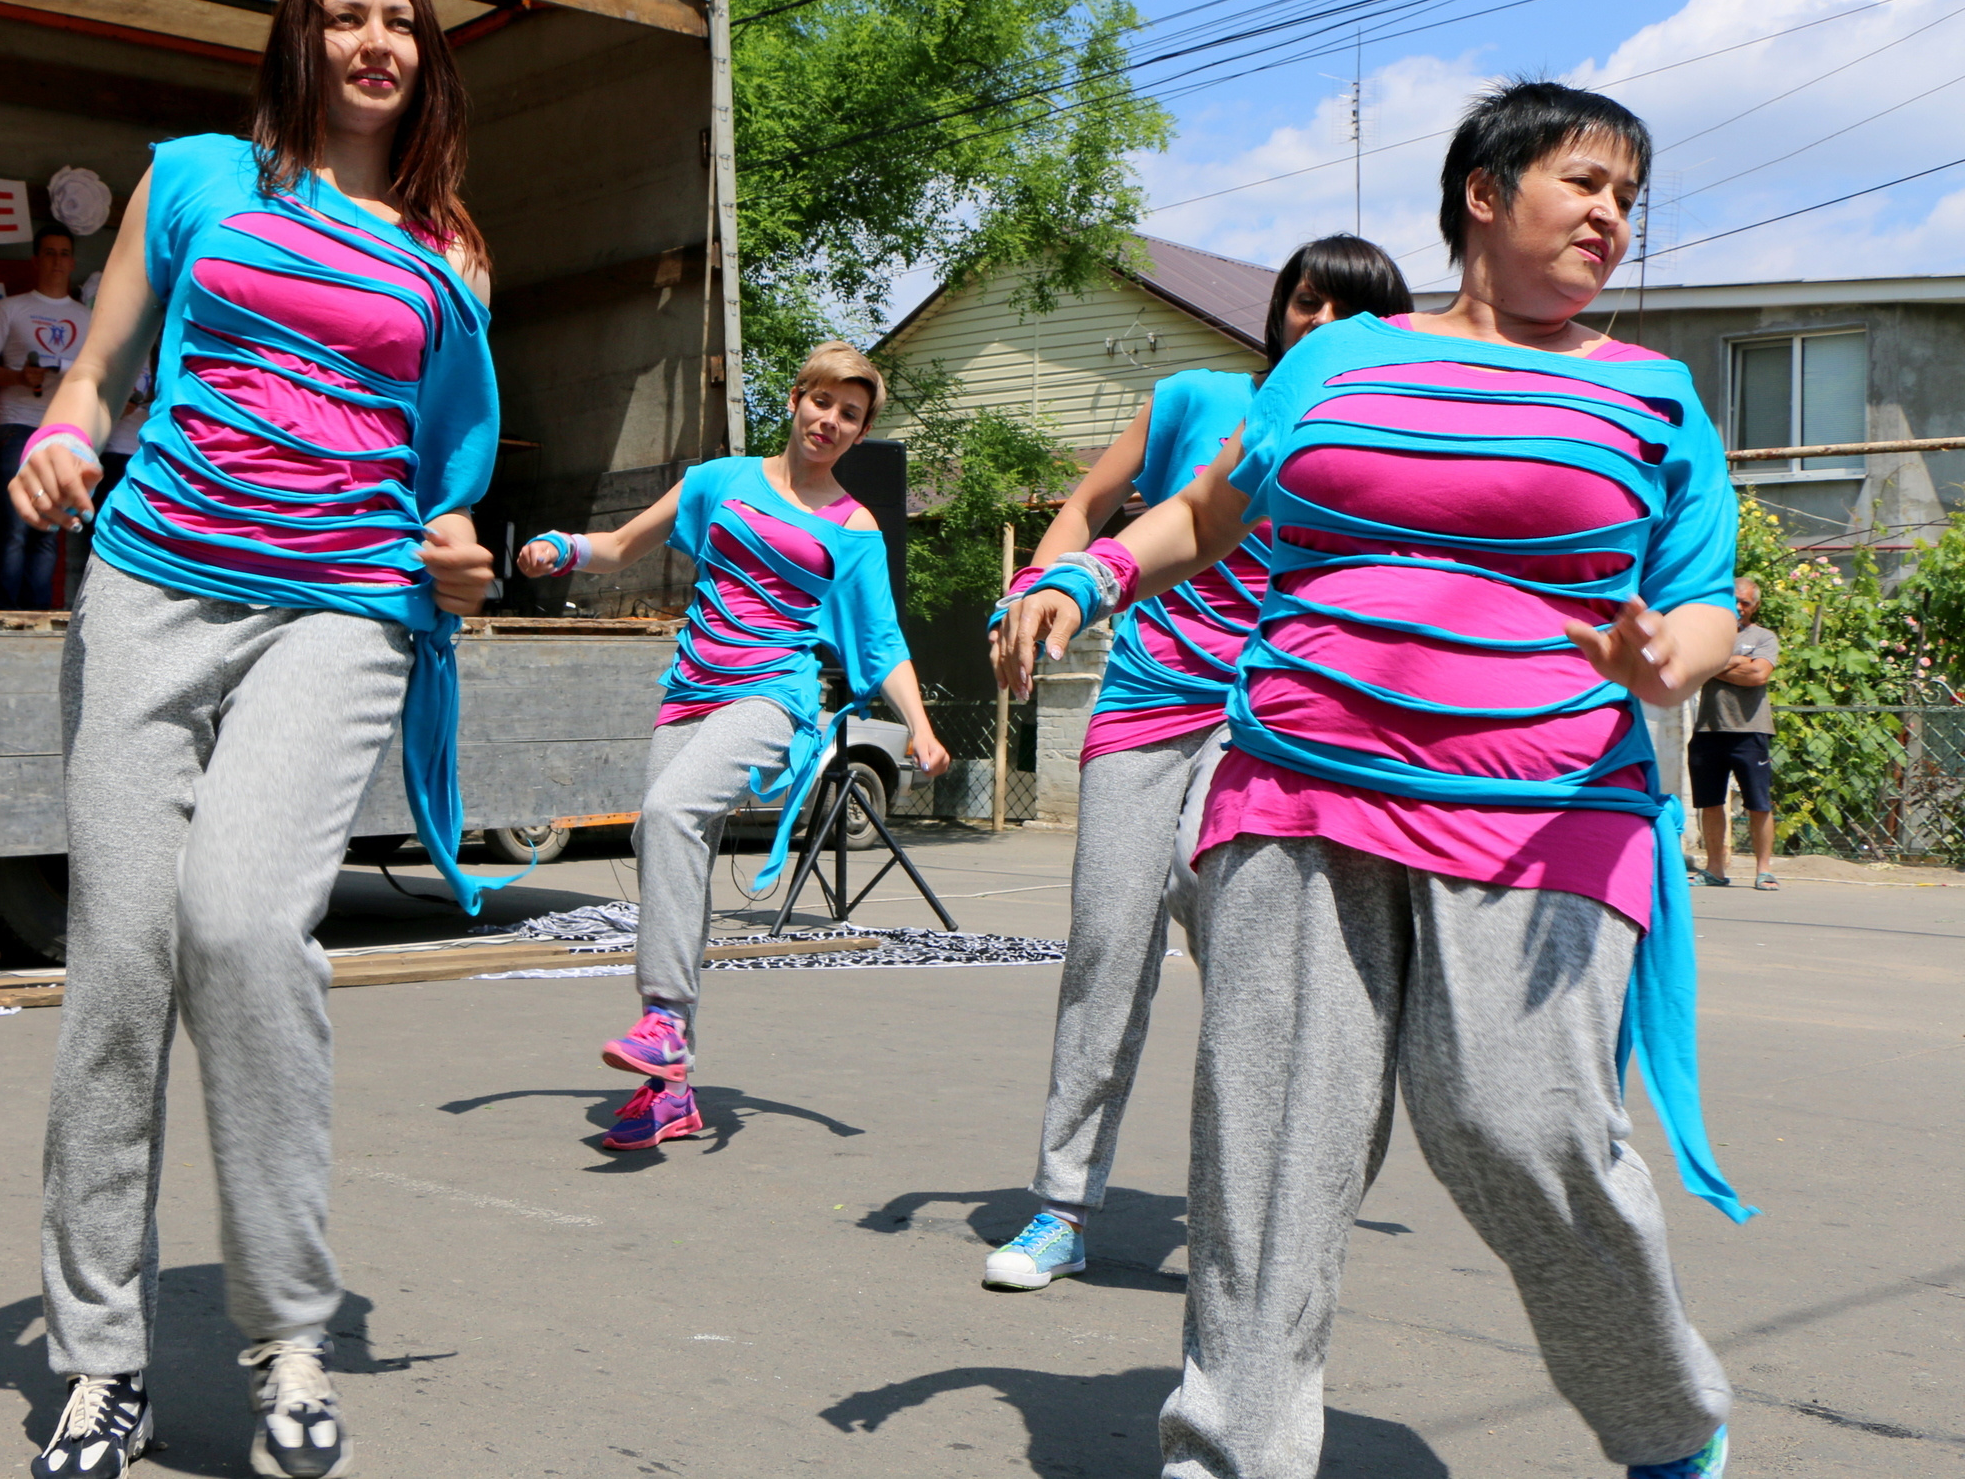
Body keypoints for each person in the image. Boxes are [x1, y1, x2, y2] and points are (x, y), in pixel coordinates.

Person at [1005, 81, 1747, 1478]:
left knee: (1520, 1128)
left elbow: (1701, 596)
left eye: (1627, 199)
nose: (1611, 216)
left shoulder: (1648, 392)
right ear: (1484, 190)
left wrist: (1667, 657)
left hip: (1544, 812)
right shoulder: (1335, 365)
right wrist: (1091, 571)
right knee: (1273, 1144)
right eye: (1586, 182)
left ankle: (1665, 1418)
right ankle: (1231, 1449)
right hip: (1295, 783)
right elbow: (1222, 506)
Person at [8, 0, 500, 1479]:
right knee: (120, 972)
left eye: (399, 21)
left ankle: (290, 1324)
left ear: (422, 56)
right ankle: (101, 1355)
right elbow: (99, 370)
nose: (374, 39)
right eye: (345, 15)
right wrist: (64, 432)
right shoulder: (202, 173)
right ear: (301, 37)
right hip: (152, 575)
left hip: (343, 604)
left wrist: (462, 552)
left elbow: (454, 465)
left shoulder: (452, 244)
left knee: (239, 924)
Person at [976, 234, 1410, 1293]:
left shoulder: (1375, 441)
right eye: (1303, 302)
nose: (1315, 325)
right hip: (1142, 702)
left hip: (1267, 720)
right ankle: (1063, 1206)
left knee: (1251, 954)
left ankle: (1272, 1197)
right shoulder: (1192, 401)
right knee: (1105, 947)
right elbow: (1084, 512)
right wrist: (1033, 590)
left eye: (1345, 314)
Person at [517, 343, 951, 1151]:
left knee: (670, 810)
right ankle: (669, 1090)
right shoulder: (720, 480)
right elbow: (620, 546)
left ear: (860, 434)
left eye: (850, 415)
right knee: (662, 839)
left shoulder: (853, 528)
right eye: (822, 401)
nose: (831, 420)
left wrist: (919, 726)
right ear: (795, 399)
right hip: (689, 691)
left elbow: (883, 641)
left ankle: (663, 1023)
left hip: (771, 697)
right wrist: (561, 547)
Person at [0, 224, 89, 609]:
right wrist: (18, 376)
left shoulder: (87, 317)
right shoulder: (12, 308)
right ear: (36, 260)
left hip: (62, 429)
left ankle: (37, 617)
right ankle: (6, 615)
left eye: (64, 253)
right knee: (15, 526)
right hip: (17, 422)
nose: (57, 260)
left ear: (72, 262)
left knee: (48, 527)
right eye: (49, 253)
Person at [1690, 578, 1778, 890]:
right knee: (1710, 802)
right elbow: (1691, 664)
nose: (1739, 607)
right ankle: (1715, 869)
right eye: (1734, 600)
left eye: (1746, 603)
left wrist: (1713, 664)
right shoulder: (1707, 634)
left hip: (1750, 730)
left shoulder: (1764, 637)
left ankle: (1764, 870)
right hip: (1708, 729)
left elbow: (1758, 674)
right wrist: (1737, 661)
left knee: (1759, 803)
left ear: (1755, 607)